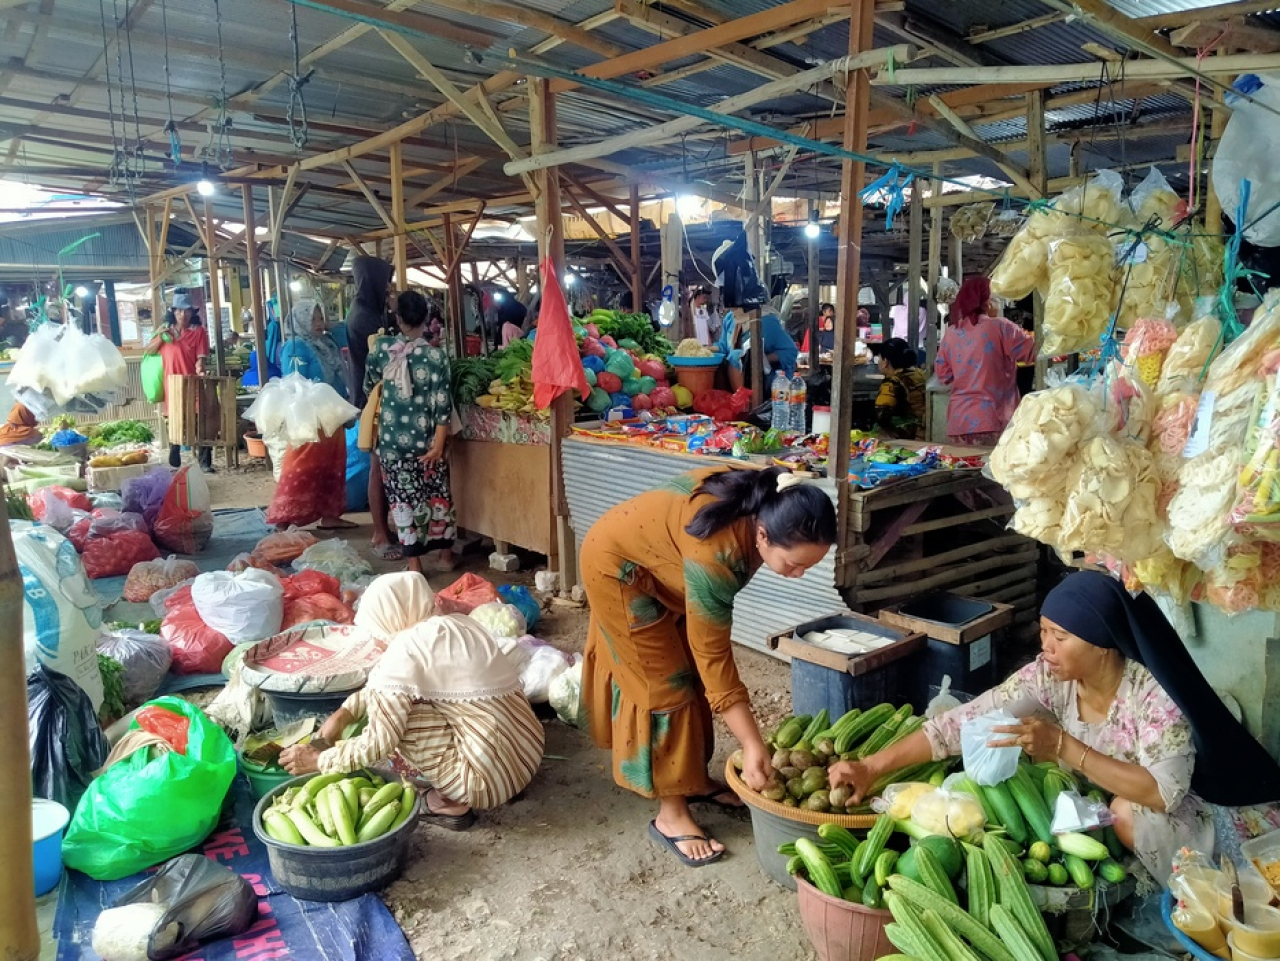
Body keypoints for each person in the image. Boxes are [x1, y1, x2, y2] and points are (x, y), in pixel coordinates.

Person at [830, 572, 1280, 881]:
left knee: (1126, 812)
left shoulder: (1154, 697)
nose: (1046, 647)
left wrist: (1065, 747)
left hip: (1202, 809)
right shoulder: (1050, 676)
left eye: (1060, 637)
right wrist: (871, 767)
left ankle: (1190, 898)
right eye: (1043, 632)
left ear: (1104, 645)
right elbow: (964, 721)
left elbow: (1163, 793)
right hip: (1123, 794)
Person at [581, 467, 838, 866]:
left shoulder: (767, 499)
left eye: (810, 566)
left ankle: (692, 780)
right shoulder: (717, 554)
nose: (799, 575)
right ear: (763, 535)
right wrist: (753, 744)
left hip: (662, 563)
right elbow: (714, 657)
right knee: (666, 686)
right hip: (617, 568)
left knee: (691, 676)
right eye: (793, 564)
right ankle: (671, 815)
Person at [280, 572, 545, 830]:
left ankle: (448, 802)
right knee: (397, 697)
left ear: (389, 618)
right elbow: (383, 686)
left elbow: (377, 744)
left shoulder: (402, 653)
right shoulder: (457, 626)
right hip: (527, 754)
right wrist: (342, 715)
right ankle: (486, 777)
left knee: (396, 714)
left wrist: (321, 761)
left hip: (483, 783)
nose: (375, 638)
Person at [364, 290, 456, 575]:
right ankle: (445, 557)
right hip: (428, 442)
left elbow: (370, 388)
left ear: (398, 317)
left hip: (393, 443)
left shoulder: (381, 350)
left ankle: (414, 563)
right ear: (427, 318)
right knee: (437, 496)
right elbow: (443, 405)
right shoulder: (435, 356)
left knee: (403, 501)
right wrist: (439, 446)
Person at [935, 275, 1036, 446]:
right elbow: (1034, 351)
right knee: (992, 468)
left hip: (959, 420)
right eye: (996, 299)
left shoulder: (951, 333)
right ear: (987, 302)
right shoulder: (1001, 327)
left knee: (964, 470)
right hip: (992, 418)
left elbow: (943, 375)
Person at [344, 256, 397, 555]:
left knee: (382, 465)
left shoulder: (369, 311)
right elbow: (385, 356)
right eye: (384, 281)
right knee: (378, 467)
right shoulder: (363, 316)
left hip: (376, 393)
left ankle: (385, 529)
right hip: (373, 396)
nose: (388, 287)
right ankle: (379, 533)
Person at [146, 291, 212, 471]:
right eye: (179, 311)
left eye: (187, 311)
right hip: (172, 385)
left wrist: (200, 369)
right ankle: (174, 455)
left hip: (193, 383)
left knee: (201, 420)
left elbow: (201, 359)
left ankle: (205, 463)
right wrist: (160, 335)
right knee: (175, 420)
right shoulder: (165, 332)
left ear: (192, 313)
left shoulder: (199, 332)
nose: (183, 315)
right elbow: (149, 351)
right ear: (173, 312)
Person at [280, 300, 349, 400]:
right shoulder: (295, 346)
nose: (319, 324)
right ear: (301, 320)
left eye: (321, 319)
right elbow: (294, 386)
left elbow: (350, 334)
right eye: (312, 320)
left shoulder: (327, 343)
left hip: (335, 407)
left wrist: (330, 326)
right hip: (313, 410)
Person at [719, 309, 799, 392]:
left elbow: (790, 352)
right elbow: (723, 347)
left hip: (771, 381)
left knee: (736, 355)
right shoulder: (730, 318)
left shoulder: (767, 321)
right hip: (737, 377)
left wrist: (763, 359)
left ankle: (745, 402)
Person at [871, 337, 927, 440]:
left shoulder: (892, 383)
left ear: (886, 362)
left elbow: (882, 414)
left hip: (913, 435)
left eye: (879, 358)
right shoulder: (920, 374)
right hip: (928, 429)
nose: (878, 361)